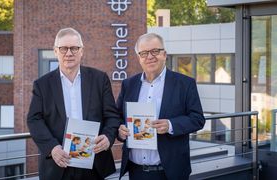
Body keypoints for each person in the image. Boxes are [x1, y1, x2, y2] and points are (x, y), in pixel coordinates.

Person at [27, 27, 120, 180]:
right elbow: (34, 119)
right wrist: (52, 148)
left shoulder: (100, 79)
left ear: (81, 51)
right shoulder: (42, 85)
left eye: (74, 48)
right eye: (63, 48)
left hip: (94, 164)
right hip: (58, 164)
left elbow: (112, 116)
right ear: (55, 51)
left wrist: (108, 137)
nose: (69, 53)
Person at [117, 33, 205, 180]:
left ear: (164, 54)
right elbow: (118, 117)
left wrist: (170, 125)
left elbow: (197, 119)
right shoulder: (128, 84)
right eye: (144, 53)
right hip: (135, 171)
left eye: (155, 51)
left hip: (170, 172)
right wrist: (120, 130)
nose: (150, 57)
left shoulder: (185, 84)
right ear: (139, 58)